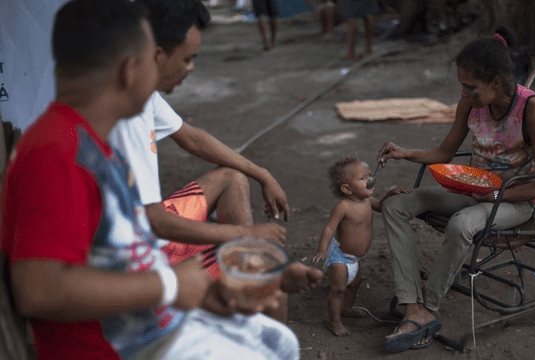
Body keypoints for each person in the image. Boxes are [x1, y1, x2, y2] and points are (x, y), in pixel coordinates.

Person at [0, 1, 321, 359]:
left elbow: (125, 258)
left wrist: (214, 295)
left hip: (153, 326)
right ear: (131, 69)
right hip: (121, 347)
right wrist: (170, 284)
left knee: (280, 341)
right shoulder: (57, 153)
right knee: (272, 351)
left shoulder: (94, 145)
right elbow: (38, 291)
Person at [376, 26, 535, 353]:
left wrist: (495, 196)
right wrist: (405, 151)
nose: (464, 94)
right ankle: (411, 303)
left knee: (462, 224)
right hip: (473, 190)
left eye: (470, 87)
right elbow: (445, 153)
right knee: (395, 205)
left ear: (496, 83)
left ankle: (428, 309)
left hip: (514, 199)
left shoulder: (533, 110)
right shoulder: (470, 104)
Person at [109, 0, 291, 323]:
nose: (191, 68)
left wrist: (261, 173)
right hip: (138, 256)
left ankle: (243, 277)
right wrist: (242, 237)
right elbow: (154, 222)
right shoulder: (126, 117)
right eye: (188, 59)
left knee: (233, 176)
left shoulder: (141, 91)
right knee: (270, 284)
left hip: (144, 228)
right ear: (158, 54)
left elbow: (192, 137)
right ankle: (249, 300)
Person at [312, 154, 410, 337]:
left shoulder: (366, 200)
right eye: (363, 178)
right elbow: (329, 229)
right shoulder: (343, 206)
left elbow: (380, 206)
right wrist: (322, 250)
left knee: (355, 284)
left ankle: (347, 309)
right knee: (338, 290)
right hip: (339, 257)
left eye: (370, 175)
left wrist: (391, 193)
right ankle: (334, 323)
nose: (370, 180)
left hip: (355, 258)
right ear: (347, 188)